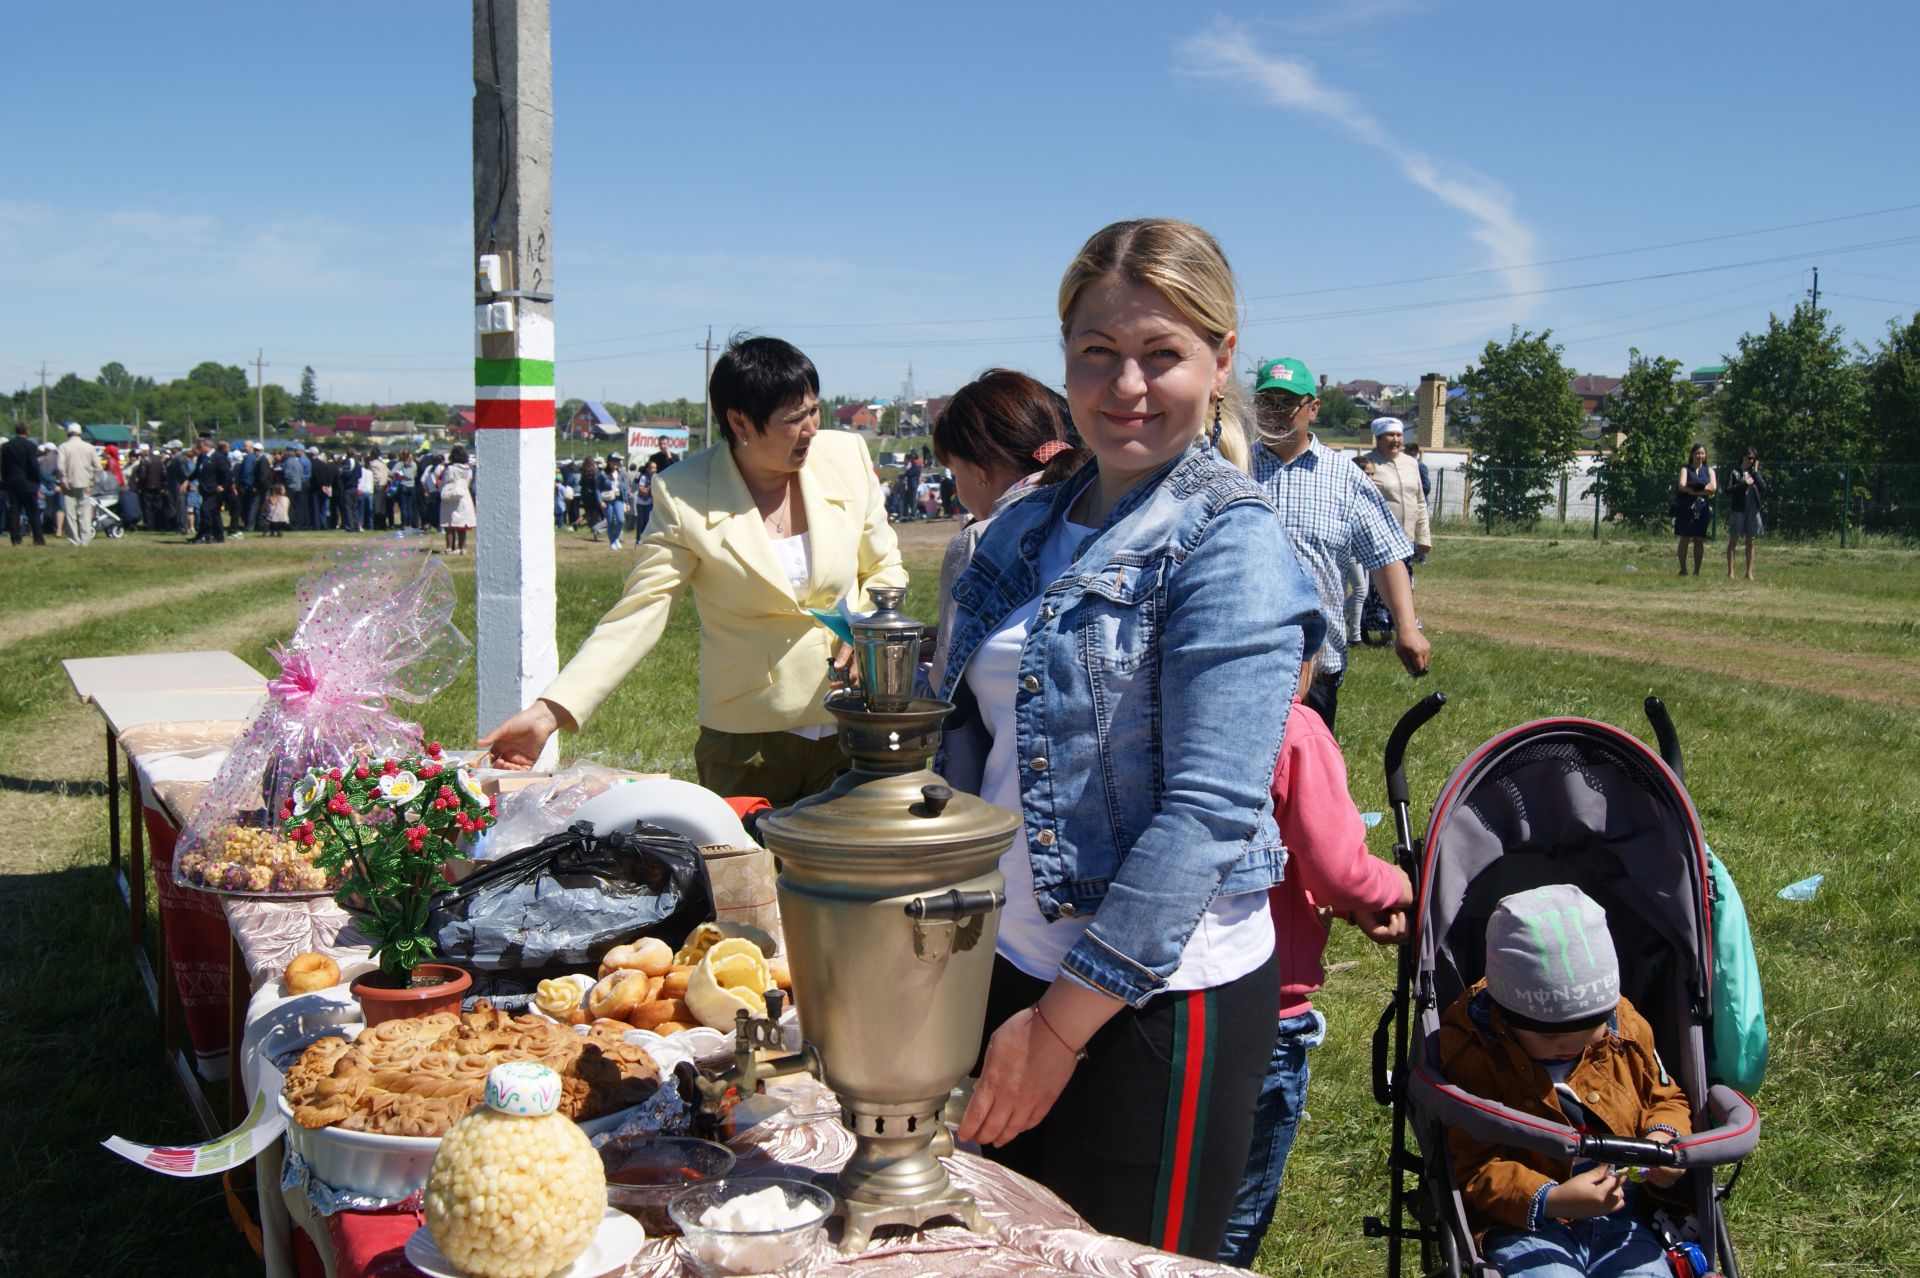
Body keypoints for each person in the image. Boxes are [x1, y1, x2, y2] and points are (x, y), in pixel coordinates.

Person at [946, 219, 1321, 1259]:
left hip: (1151, 1003)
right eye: (1098, 355)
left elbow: (1205, 816)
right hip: (1010, 963)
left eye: (1162, 355)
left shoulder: (1232, 542)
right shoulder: (1026, 526)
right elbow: (961, 743)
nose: (1128, 387)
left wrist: (1058, 1032)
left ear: (1221, 360)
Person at [480, 335, 906, 804]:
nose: (810, 430)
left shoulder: (846, 456)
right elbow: (640, 613)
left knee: (853, 873)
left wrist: (869, 634)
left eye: (814, 411)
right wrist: (548, 713)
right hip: (748, 746)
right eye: (792, 420)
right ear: (739, 421)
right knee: (752, 874)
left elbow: (885, 567)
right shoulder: (682, 494)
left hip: (855, 723)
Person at [1218, 652, 1414, 1267]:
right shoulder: (1296, 728)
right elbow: (1339, 868)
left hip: (1173, 996)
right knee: (1238, 1214)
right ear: (1303, 665)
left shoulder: (1183, 714)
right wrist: (1402, 887)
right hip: (1269, 1010)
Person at [1437, 884, 1690, 1277]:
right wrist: (1551, 1199)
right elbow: (1472, 1166)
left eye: (1588, 1031)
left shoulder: (1625, 1028)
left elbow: (1665, 1097)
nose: (1567, 1048)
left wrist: (1664, 1142)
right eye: (1550, 1037)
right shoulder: (1475, 1051)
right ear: (1506, 1014)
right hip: (1525, 1226)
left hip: (1622, 1218)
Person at [1248, 358, 1429, 733]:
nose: (1276, 413)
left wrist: (1407, 628)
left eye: (1287, 403)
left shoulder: (1343, 476)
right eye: (1268, 402)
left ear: (1313, 409)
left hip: (1318, 666)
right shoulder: (1234, 465)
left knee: (1306, 781)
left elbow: (1384, 554)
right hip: (1242, 658)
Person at [925, 368, 1084, 693]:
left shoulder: (977, 541)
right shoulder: (1097, 506)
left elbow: (946, 687)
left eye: (955, 471)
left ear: (980, 471)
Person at [1360, 417, 1430, 644]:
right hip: (1381, 537)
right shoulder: (1370, 463)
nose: (1396, 440)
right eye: (1390, 436)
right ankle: (1381, 631)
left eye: (1399, 435)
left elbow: (1419, 501)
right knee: (1379, 588)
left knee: (1406, 585)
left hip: (1407, 536)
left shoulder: (1411, 464)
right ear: (1378, 439)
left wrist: (1423, 536)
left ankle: (1403, 628)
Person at [56, 423, 101, 546]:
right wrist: (92, 482)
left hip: (69, 484)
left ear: (68, 433)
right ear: (80, 433)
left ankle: (74, 540)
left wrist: (63, 481)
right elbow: (98, 467)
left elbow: (60, 467)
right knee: (85, 513)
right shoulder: (89, 447)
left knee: (71, 514)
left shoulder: (63, 447)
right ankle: (85, 540)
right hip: (85, 483)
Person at [1673, 443, 1715, 575]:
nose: (1700, 456)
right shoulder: (1685, 469)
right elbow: (1682, 485)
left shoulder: (1709, 471)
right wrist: (1702, 489)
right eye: (1697, 453)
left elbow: (1713, 488)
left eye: (1702, 453)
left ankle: (1697, 570)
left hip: (1702, 508)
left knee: (1699, 539)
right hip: (1686, 507)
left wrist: (1694, 491)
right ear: (1692, 455)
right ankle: (1683, 569)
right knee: (1684, 538)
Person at [1723, 447, 1763, 581]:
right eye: (1749, 458)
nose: (1751, 461)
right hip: (1738, 510)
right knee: (1734, 540)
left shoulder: (1755, 474)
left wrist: (1756, 473)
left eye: (1754, 459)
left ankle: (1749, 572)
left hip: (1753, 510)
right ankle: (1731, 572)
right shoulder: (1734, 472)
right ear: (1743, 457)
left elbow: (1764, 488)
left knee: (1751, 540)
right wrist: (1744, 484)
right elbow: (1727, 490)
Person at [3, 423, 45, 546]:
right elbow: (33, 465)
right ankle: (38, 539)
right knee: (33, 512)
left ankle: (15, 539)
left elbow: (4, 467)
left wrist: (6, 482)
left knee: (14, 512)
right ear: (26, 431)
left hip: (13, 483)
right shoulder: (31, 446)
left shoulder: (7, 447)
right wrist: (37, 481)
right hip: (28, 483)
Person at [189, 435, 231, 543]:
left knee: (205, 510)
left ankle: (206, 534)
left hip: (215, 490)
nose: (198, 448)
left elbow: (227, 473)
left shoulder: (218, 457)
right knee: (214, 513)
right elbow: (197, 472)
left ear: (207, 446)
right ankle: (218, 536)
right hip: (205, 489)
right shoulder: (202, 458)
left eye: (200, 446)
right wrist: (187, 480)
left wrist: (223, 485)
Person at [439, 445, 475, 555]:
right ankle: (462, 547)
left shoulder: (451, 469)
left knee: (449, 524)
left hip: (451, 497)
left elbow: (445, 481)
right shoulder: (468, 469)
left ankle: (450, 547)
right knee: (462, 525)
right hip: (464, 496)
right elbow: (469, 481)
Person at [600, 455, 628, 550]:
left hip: (618, 499)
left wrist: (626, 502)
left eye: (618, 461)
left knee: (621, 520)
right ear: (609, 462)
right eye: (614, 461)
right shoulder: (603, 474)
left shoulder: (621, 473)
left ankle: (616, 538)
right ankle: (612, 542)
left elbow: (624, 488)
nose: (616, 463)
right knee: (610, 521)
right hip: (607, 500)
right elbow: (597, 488)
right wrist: (600, 501)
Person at [632, 460, 656, 537]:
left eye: (655, 468)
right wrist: (647, 489)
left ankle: (645, 537)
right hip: (641, 502)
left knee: (648, 521)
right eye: (652, 468)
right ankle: (638, 538)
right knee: (640, 521)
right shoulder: (643, 476)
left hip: (650, 502)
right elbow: (641, 488)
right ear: (647, 469)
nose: (654, 469)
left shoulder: (655, 477)